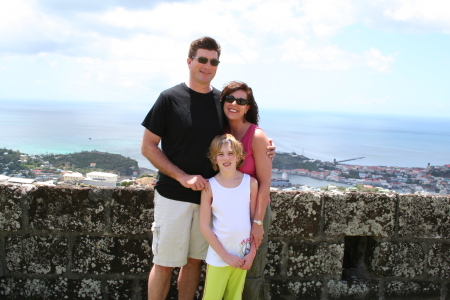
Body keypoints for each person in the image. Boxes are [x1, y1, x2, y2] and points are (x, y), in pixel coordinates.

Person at [141, 37, 275, 300]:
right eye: (202, 59)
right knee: (164, 263)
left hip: (213, 203)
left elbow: (242, 131)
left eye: (213, 61)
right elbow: (148, 146)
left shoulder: (222, 102)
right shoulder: (169, 98)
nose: (207, 65)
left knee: (194, 263)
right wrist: (182, 177)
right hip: (173, 195)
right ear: (189, 61)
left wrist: (268, 144)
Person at [220, 81, 273, 299]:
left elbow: (264, 184)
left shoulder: (257, 136)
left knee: (251, 274)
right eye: (230, 99)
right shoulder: (219, 132)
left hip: (254, 212)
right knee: (224, 269)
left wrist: (258, 222)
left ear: (247, 107)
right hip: (226, 212)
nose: (234, 104)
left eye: (241, 101)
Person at [200, 134, 258, 300]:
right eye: (220, 154)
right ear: (214, 158)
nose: (226, 158)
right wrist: (226, 256)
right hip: (219, 257)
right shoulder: (209, 187)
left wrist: (252, 253)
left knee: (234, 297)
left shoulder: (251, 183)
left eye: (230, 153)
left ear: (239, 156)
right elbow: (204, 226)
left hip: (242, 256)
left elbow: (255, 223)